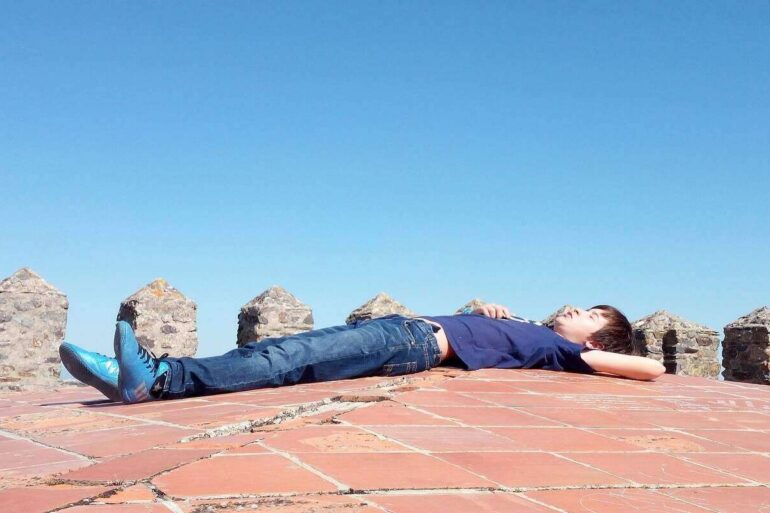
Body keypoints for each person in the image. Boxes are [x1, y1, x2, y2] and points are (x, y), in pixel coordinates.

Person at [59, 304, 665, 404]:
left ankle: (156, 379)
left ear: (595, 338)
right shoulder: (536, 332)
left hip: (412, 342)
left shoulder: (567, 352)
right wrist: (496, 317)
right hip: (408, 331)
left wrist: (590, 352)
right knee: (283, 351)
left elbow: (652, 367)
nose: (572, 308)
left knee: (284, 360)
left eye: (588, 312)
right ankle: (145, 374)